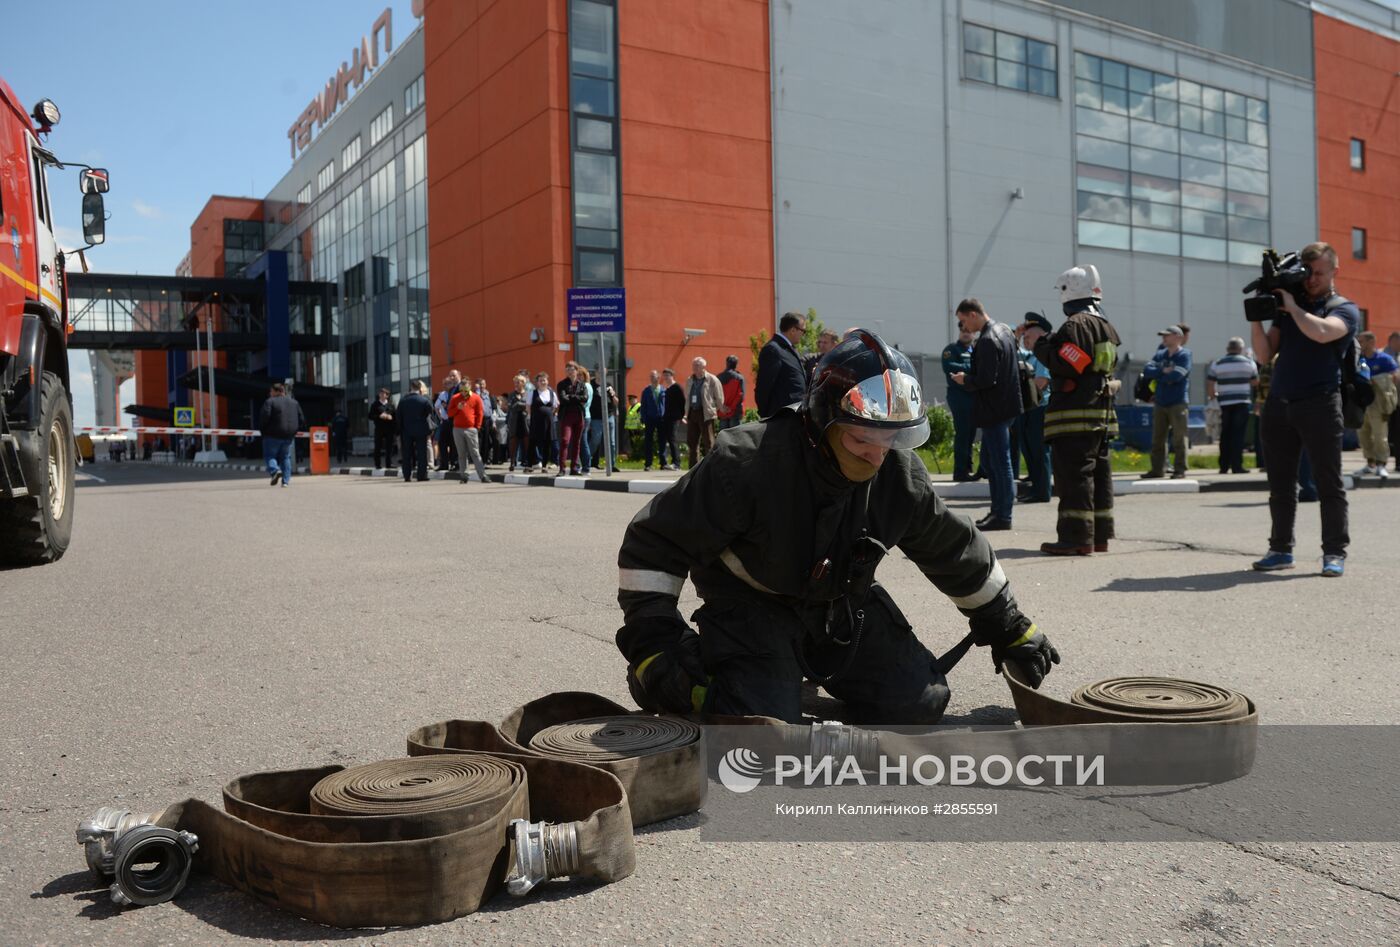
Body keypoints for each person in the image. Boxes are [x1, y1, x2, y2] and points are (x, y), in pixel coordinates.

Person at [614, 328, 1060, 724]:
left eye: (892, 438)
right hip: (753, 609)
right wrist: (656, 647)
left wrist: (1008, 624)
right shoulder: (747, 464)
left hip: (840, 609)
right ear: (821, 420)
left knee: (919, 704)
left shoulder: (898, 474)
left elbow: (952, 549)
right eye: (862, 438)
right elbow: (653, 543)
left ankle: (794, 672)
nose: (878, 454)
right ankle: (700, 677)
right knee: (762, 728)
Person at [1249, 242, 1360, 577]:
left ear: (1334, 272)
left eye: (1318, 273)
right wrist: (1256, 317)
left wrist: (1293, 307)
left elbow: (1323, 333)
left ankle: (1334, 553)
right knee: (1280, 484)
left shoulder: (1343, 308)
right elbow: (1265, 355)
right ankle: (1280, 549)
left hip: (1321, 403)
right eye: (1307, 272)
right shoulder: (1288, 311)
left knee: (1328, 482)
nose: (1311, 279)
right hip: (1280, 403)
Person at [1022, 265, 1123, 556]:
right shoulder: (1105, 324)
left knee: (1074, 476)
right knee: (1098, 475)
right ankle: (1098, 536)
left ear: (1068, 291)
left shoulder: (1076, 324)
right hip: (1100, 415)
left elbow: (1072, 362)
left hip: (1076, 415)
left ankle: (1075, 538)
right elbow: (1088, 361)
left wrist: (1041, 345)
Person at [949, 299, 1021, 530]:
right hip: (1005, 406)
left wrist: (965, 379)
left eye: (963, 321)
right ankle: (998, 512)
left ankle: (1002, 515)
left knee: (1000, 464)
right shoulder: (1004, 331)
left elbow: (986, 379)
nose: (964, 327)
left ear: (972, 314)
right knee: (996, 463)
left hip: (994, 409)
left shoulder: (989, 339)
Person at [1141, 325, 1192, 480]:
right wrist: (1163, 372)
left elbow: (1177, 376)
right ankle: (1157, 469)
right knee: (1158, 438)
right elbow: (1147, 370)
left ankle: (1180, 469)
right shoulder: (1161, 353)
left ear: (1177, 336)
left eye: (1167, 335)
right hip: (1160, 402)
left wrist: (1159, 374)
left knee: (1179, 438)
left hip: (1177, 402)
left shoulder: (1185, 355)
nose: (1163, 338)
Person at [1206, 337, 1259, 474]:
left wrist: (1213, 398)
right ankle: (1237, 465)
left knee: (1225, 435)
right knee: (1238, 435)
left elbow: (1210, 384)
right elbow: (1255, 383)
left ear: (1227, 349)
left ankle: (1223, 466)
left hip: (1224, 403)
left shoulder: (1217, 363)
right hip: (1242, 403)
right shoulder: (1249, 362)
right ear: (1240, 349)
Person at [1014, 320, 1052, 503]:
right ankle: (1036, 488)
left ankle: (1042, 492)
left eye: (1028, 337)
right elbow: (1013, 351)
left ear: (1039, 336)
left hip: (1039, 408)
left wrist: (1023, 394)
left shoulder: (1042, 356)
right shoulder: (1029, 356)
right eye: (1023, 337)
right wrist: (1017, 334)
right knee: (1028, 450)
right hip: (1027, 409)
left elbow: (1042, 381)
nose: (1025, 340)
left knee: (1038, 450)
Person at [1357, 331, 1398, 478]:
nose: (1359, 344)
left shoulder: (1384, 359)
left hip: (1378, 403)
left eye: (1361, 341)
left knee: (1380, 435)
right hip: (1362, 403)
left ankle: (1381, 465)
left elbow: (1395, 377)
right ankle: (1370, 463)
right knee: (1363, 435)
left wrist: (1377, 380)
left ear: (1371, 342)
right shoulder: (1358, 359)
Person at [941, 327, 978, 481]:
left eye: (968, 330)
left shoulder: (975, 350)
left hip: (974, 398)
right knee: (963, 433)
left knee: (971, 434)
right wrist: (973, 369)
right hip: (959, 397)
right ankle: (960, 472)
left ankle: (967, 468)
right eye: (963, 330)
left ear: (973, 333)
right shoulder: (951, 350)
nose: (965, 332)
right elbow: (950, 368)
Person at [755, 311, 807, 418]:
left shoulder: (788, 349)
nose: (803, 335)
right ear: (793, 330)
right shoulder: (773, 349)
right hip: (782, 415)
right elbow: (764, 385)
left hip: (795, 414)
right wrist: (766, 414)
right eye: (803, 331)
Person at [259, 383, 305, 488]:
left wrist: (263, 431)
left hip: (272, 435)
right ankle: (285, 481)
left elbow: (264, 418)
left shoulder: (269, 402)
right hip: (289, 436)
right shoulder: (294, 402)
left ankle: (275, 471)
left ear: (277, 391)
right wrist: (295, 431)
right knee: (285, 457)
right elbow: (301, 419)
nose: (270, 394)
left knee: (270, 456)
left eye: (271, 391)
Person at [685, 356, 725, 469]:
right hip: (692, 412)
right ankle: (693, 468)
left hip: (706, 413)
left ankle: (710, 467)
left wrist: (713, 409)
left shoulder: (712, 379)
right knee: (692, 441)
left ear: (703, 367)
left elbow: (719, 398)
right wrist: (686, 412)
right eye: (693, 365)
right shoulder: (690, 379)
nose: (694, 367)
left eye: (697, 365)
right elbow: (687, 396)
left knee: (709, 441)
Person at [447, 379, 489, 484]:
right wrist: (457, 408)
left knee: (475, 452)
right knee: (461, 453)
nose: (463, 392)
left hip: (471, 429)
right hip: (457, 429)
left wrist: (477, 427)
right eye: (461, 390)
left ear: (469, 387)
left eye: (465, 390)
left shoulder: (476, 398)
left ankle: (482, 476)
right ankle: (464, 475)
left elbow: (480, 413)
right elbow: (449, 414)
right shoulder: (455, 398)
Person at [397, 380, 434, 482]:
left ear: (411, 388)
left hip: (406, 431)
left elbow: (398, 417)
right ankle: (421, 476)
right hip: (421, 431)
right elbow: (430, 413)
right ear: (420, 389)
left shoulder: (403, 400)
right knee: (422, 453)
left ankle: (407, 476)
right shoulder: (424, 400)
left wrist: (400, 430)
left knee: (407, 454)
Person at [556, 362, 588, 476]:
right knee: (565, 440)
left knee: (577, 442)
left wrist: (572, 396)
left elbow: (585, 398)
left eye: (572, 369)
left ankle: (574, 468)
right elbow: (563, 399)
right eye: (567, 369)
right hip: (566, 416)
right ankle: (562, 469)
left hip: (579, 416)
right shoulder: (562, 384)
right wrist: (576, 398)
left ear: (576, 370)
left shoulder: (582, 384)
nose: (570, 371)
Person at [528, 372, 556, 473]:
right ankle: (530, 465)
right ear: (537, 382)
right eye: (541, 380)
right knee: (533, 442)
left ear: (547, 381)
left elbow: (555, 406)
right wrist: (534, 416)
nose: (543, 382)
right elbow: (528, 407)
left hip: (548, 422)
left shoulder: (552, 393)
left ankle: (544, 466)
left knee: (547, 443)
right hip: (536, 421)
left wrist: (548, 414)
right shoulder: (532, 393)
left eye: (544, 380)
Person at [639, 370, 665, 471]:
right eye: (651, 376)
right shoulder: (646, 391)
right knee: (648, 441)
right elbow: (643, 406)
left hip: (661, 419)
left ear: (658, 377)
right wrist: (644, 418)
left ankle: (663, 463)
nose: (652, 378)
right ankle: (648, 464)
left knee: (662, 441)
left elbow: (666, 404)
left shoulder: (663, 390)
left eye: (654, 376)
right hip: (650, 418)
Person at [661, 368, 685, 470]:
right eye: (664, 376)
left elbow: (682, 402)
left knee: (672, 439)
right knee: (669, 440)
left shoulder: (677, 387)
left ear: (672, 375)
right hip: (667, 418)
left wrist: (681, 416)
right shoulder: (667, 389)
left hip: (674, 418)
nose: (666, 378)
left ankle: (677, 463)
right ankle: (671, 462)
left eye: (667, 375)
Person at [506, 375, 531, 472]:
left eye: (518, 382)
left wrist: (519, 404)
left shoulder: (528, 394)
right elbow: (510, 406)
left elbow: (529, 406)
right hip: (515, 421)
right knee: (513, 443)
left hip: (525, 421)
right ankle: (512, 462)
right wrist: (522, 405)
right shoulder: (511, 394)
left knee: (527, 443)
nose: (516, 384)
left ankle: (528, 463)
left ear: (523, 383)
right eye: (515, 382)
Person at [716, 354, 746, 431]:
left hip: (722, 412)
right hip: (735, 411)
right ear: (736, 364)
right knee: (735, 437)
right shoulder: (739, 378)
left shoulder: (718, 377)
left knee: (724, 437)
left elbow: (715, 394)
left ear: (726, 363)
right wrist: (731, 408)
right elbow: (740, 395)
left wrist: (722, 407)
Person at [370, 388, 397, 469]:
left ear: (387, 395)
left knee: (389, 447)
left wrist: (391, 417)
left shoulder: (391, 405)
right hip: (379, 429)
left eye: (383, 393)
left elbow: (395, 417)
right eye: (380, 393)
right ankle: (377, 464)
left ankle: (389, 464)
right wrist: (379, 416)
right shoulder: (375, 404)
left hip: (389, 429)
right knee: (377, 446)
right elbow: (370, 416)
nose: (381, 394)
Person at [1385, 332, 1400, 472]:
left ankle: (1398, 463)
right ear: (1392, 341)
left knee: (1397, 432)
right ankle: (1378, 463)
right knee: (1384, 432)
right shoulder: (1382, 356)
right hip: (1385, 401)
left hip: (1397, 401)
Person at [623, 393, 642, 459]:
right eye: (629, 400)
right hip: (631, 429)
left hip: (637, 428)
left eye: (631, 400)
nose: (630, 401)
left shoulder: (639, 406)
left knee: (637, 443)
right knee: (632, 444)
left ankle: (637, 456)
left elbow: (640, 417)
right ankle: (633, 455)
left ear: (635, 400)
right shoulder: (630, 407)